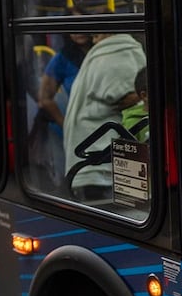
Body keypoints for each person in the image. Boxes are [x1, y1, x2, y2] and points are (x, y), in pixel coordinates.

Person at [62, 32, 147, 201]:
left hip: (96, 159)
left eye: (96, 36)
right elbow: (124, 94)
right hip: (99, 159)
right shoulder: (113, 52)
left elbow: (122, 93)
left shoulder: (111, 53)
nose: (94, 40)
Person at [33, 32, 92, 188]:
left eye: (82, 26)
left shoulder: (101, 53)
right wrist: (65, 124)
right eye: (73, 28)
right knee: (70, 182)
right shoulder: (63, 58)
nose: (78, 32)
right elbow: (44, 97)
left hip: (99, 127)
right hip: (68, 130)